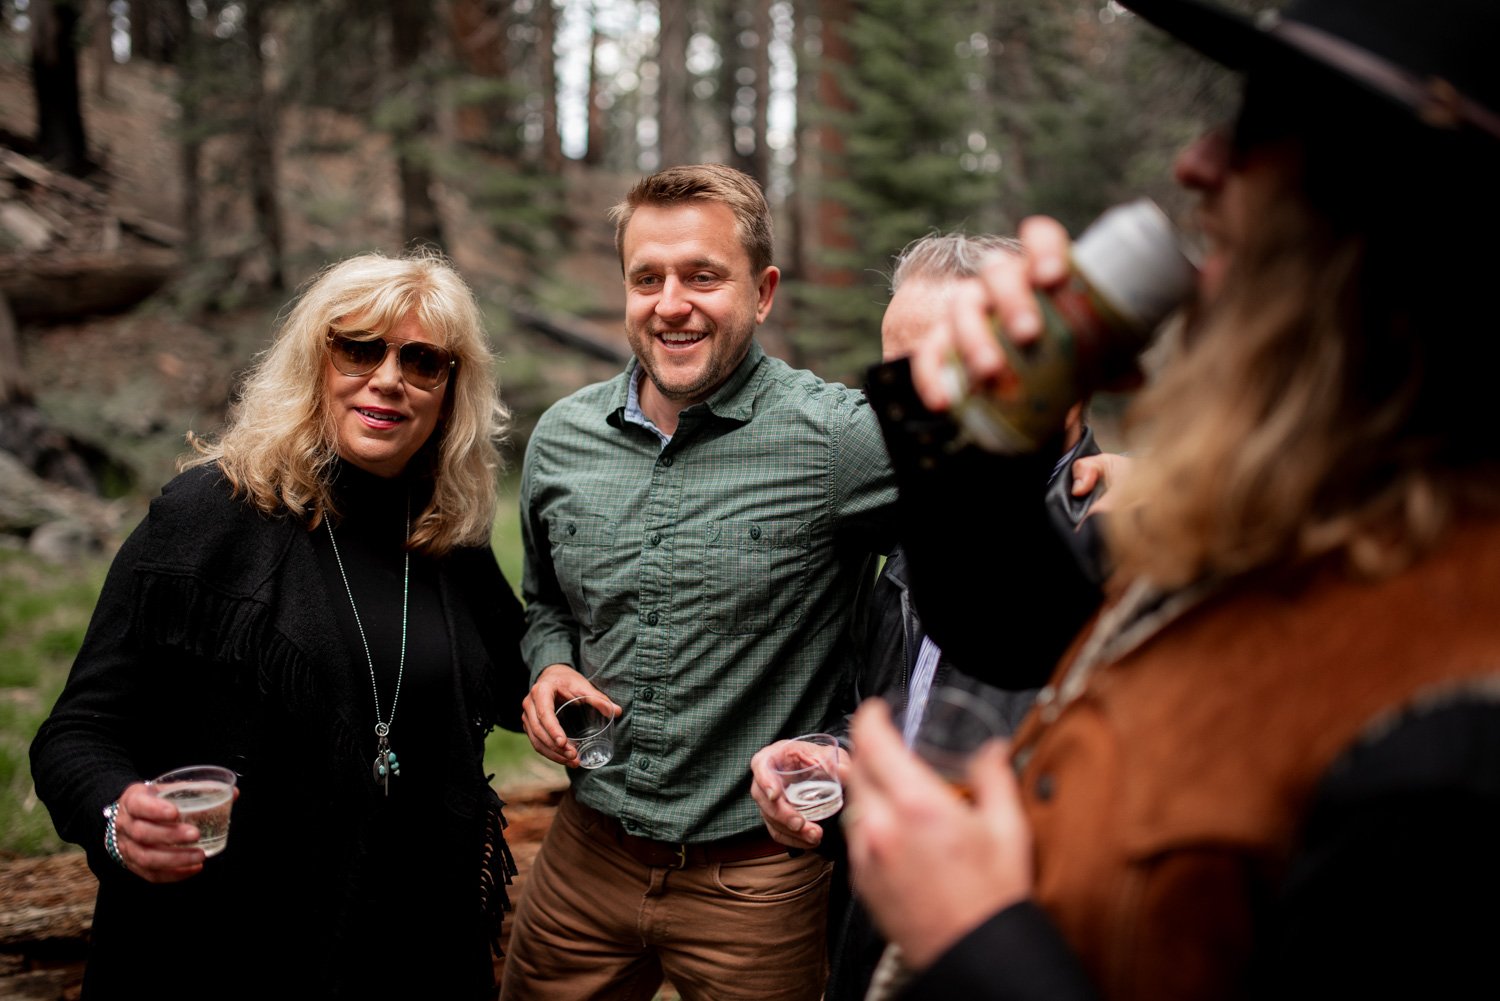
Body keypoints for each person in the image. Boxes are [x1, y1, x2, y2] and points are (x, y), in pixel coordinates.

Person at [844, 0, 1500, 998]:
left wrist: (976, 937)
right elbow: (1014, 625)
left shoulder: (1462, 729)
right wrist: (982, 423)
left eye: (1258, 129)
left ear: (1396, 209)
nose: (1195, 162)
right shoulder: (1294, 498)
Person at [29, 251, 530, 1000]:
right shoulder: (207, 515)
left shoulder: (444, 538)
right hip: (224, 956)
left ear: (449, 389)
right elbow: (76, 732)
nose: (388, 378)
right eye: (359, 347)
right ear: (314, 360)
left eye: (422, 360)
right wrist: (115, 820)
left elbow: (528, 675)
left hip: (414, 953)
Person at [502, 163, 897, 1001]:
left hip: (760, 877)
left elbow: (991, 505)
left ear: (762, 292)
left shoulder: (839, 438)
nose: (670, 303)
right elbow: (546, 604)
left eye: (702, 276)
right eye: (648, 277)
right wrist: (547, 664)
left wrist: (1106, 475)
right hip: (586, 857)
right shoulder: (564, 438)